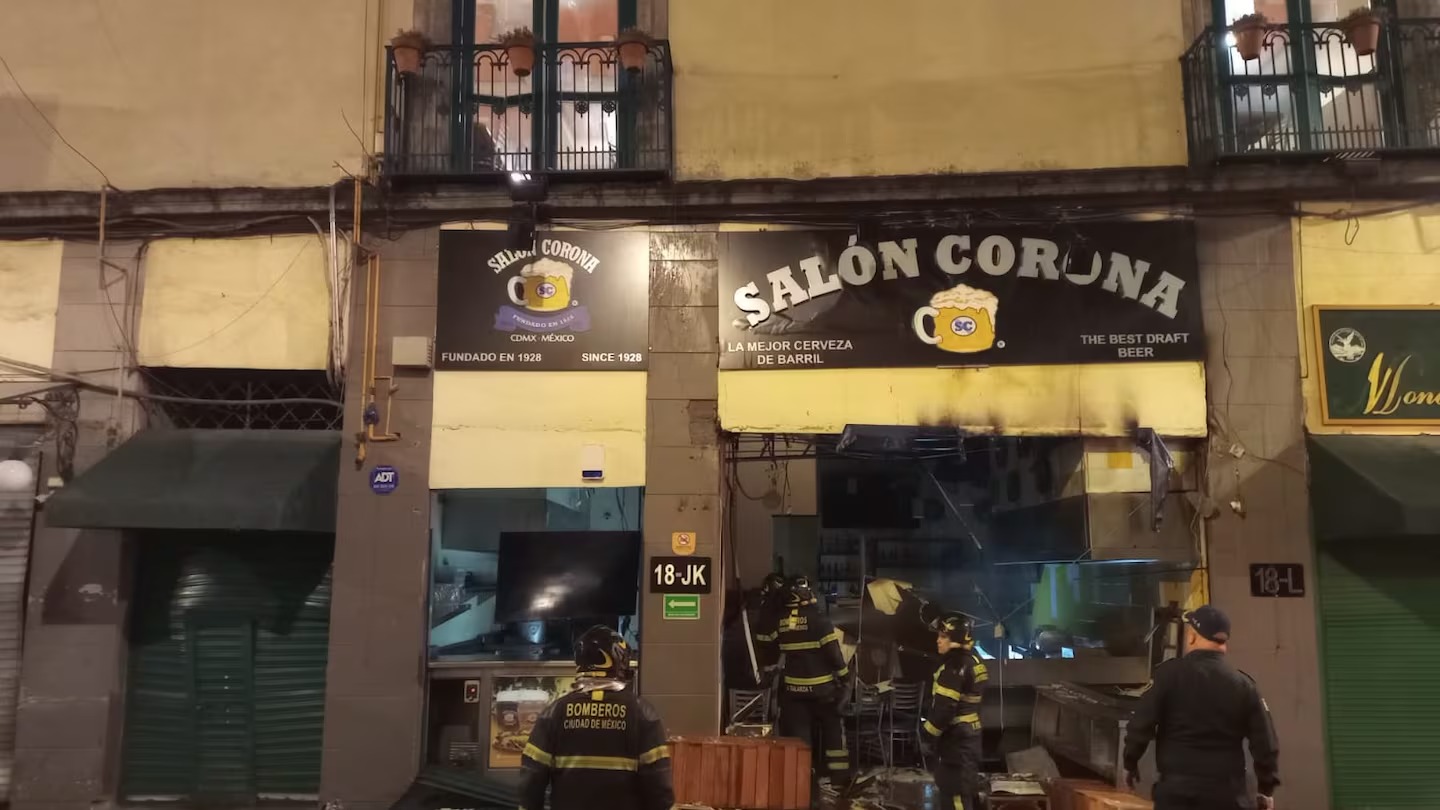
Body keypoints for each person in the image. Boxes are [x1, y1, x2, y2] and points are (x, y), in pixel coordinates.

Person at [1122, 605, 1280, 810]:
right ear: (1224, 641)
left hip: (1177, 794)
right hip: (1227, 795)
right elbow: (1265, 742)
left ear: (1191, 637)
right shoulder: (1243, 685)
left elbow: (1141, 724)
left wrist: (1130, 762)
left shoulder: (1168, 676)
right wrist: (1266, 788)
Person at [519, 625, 675, 810]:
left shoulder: (554, 712)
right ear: (619, 661)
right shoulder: (643, 713)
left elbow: (532, 779)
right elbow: (658, 785)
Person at [769, 575, 852, 799]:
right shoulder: (820, 620)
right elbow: (834, 654)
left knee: (801, 741)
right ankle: (839, 781)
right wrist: (845, 678)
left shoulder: (782, 621)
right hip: (823, 692)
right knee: (834, 733)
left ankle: (803, 783)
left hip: (794, 693)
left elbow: (770, 645)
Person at [922, 613, 986, 810]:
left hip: (956, 741)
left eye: (943, 636)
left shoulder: (954, 666)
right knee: (964, 791)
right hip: (968, 737)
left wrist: (927, 735)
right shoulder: (974, 659)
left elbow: (945, 708)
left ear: (956, 639)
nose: (938, 640)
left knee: (955, 794)